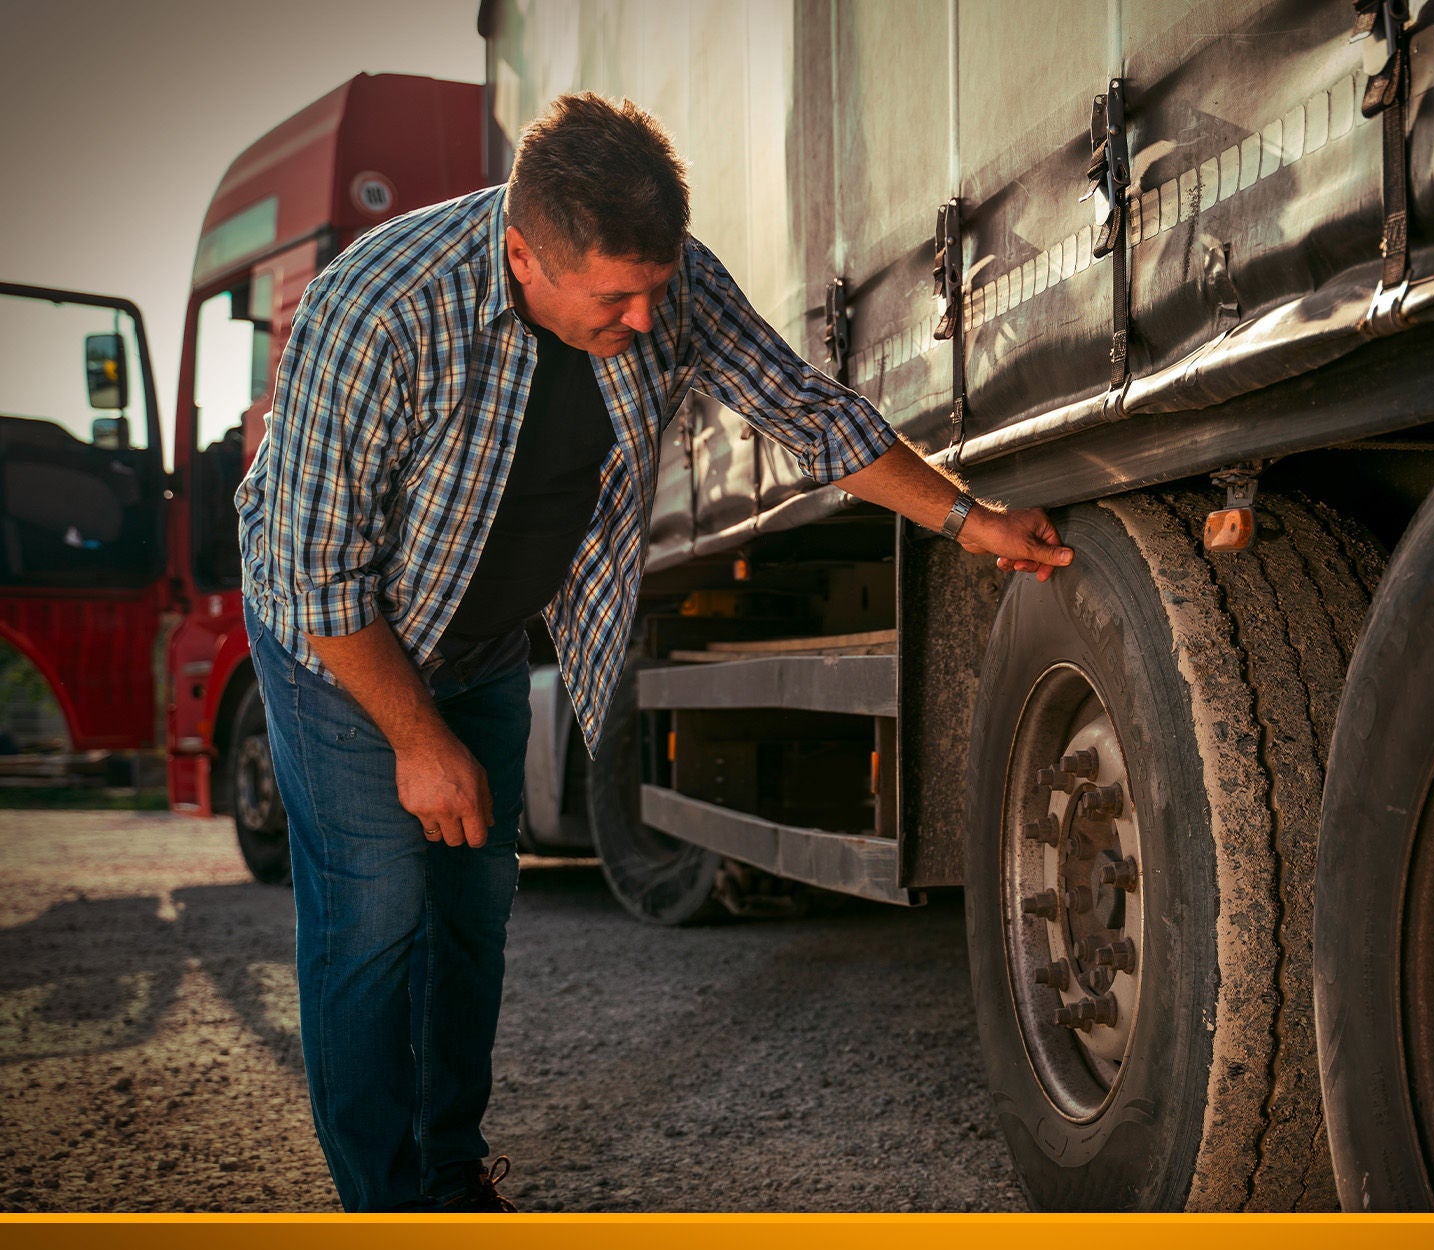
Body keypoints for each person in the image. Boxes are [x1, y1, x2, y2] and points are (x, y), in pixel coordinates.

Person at [236, 92, 1071, 1212]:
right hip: (342, 648)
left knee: (473, 910)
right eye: (613, 298)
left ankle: (447, 1166)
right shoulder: (378, 308)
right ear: (523, 256)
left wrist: (970, 519)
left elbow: (806, 412)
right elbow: (318, 574)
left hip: (480, 641)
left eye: (654, 288)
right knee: (380, 911)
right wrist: (415, 737)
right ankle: (387, 1204)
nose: (642, 319)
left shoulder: (667, 283)